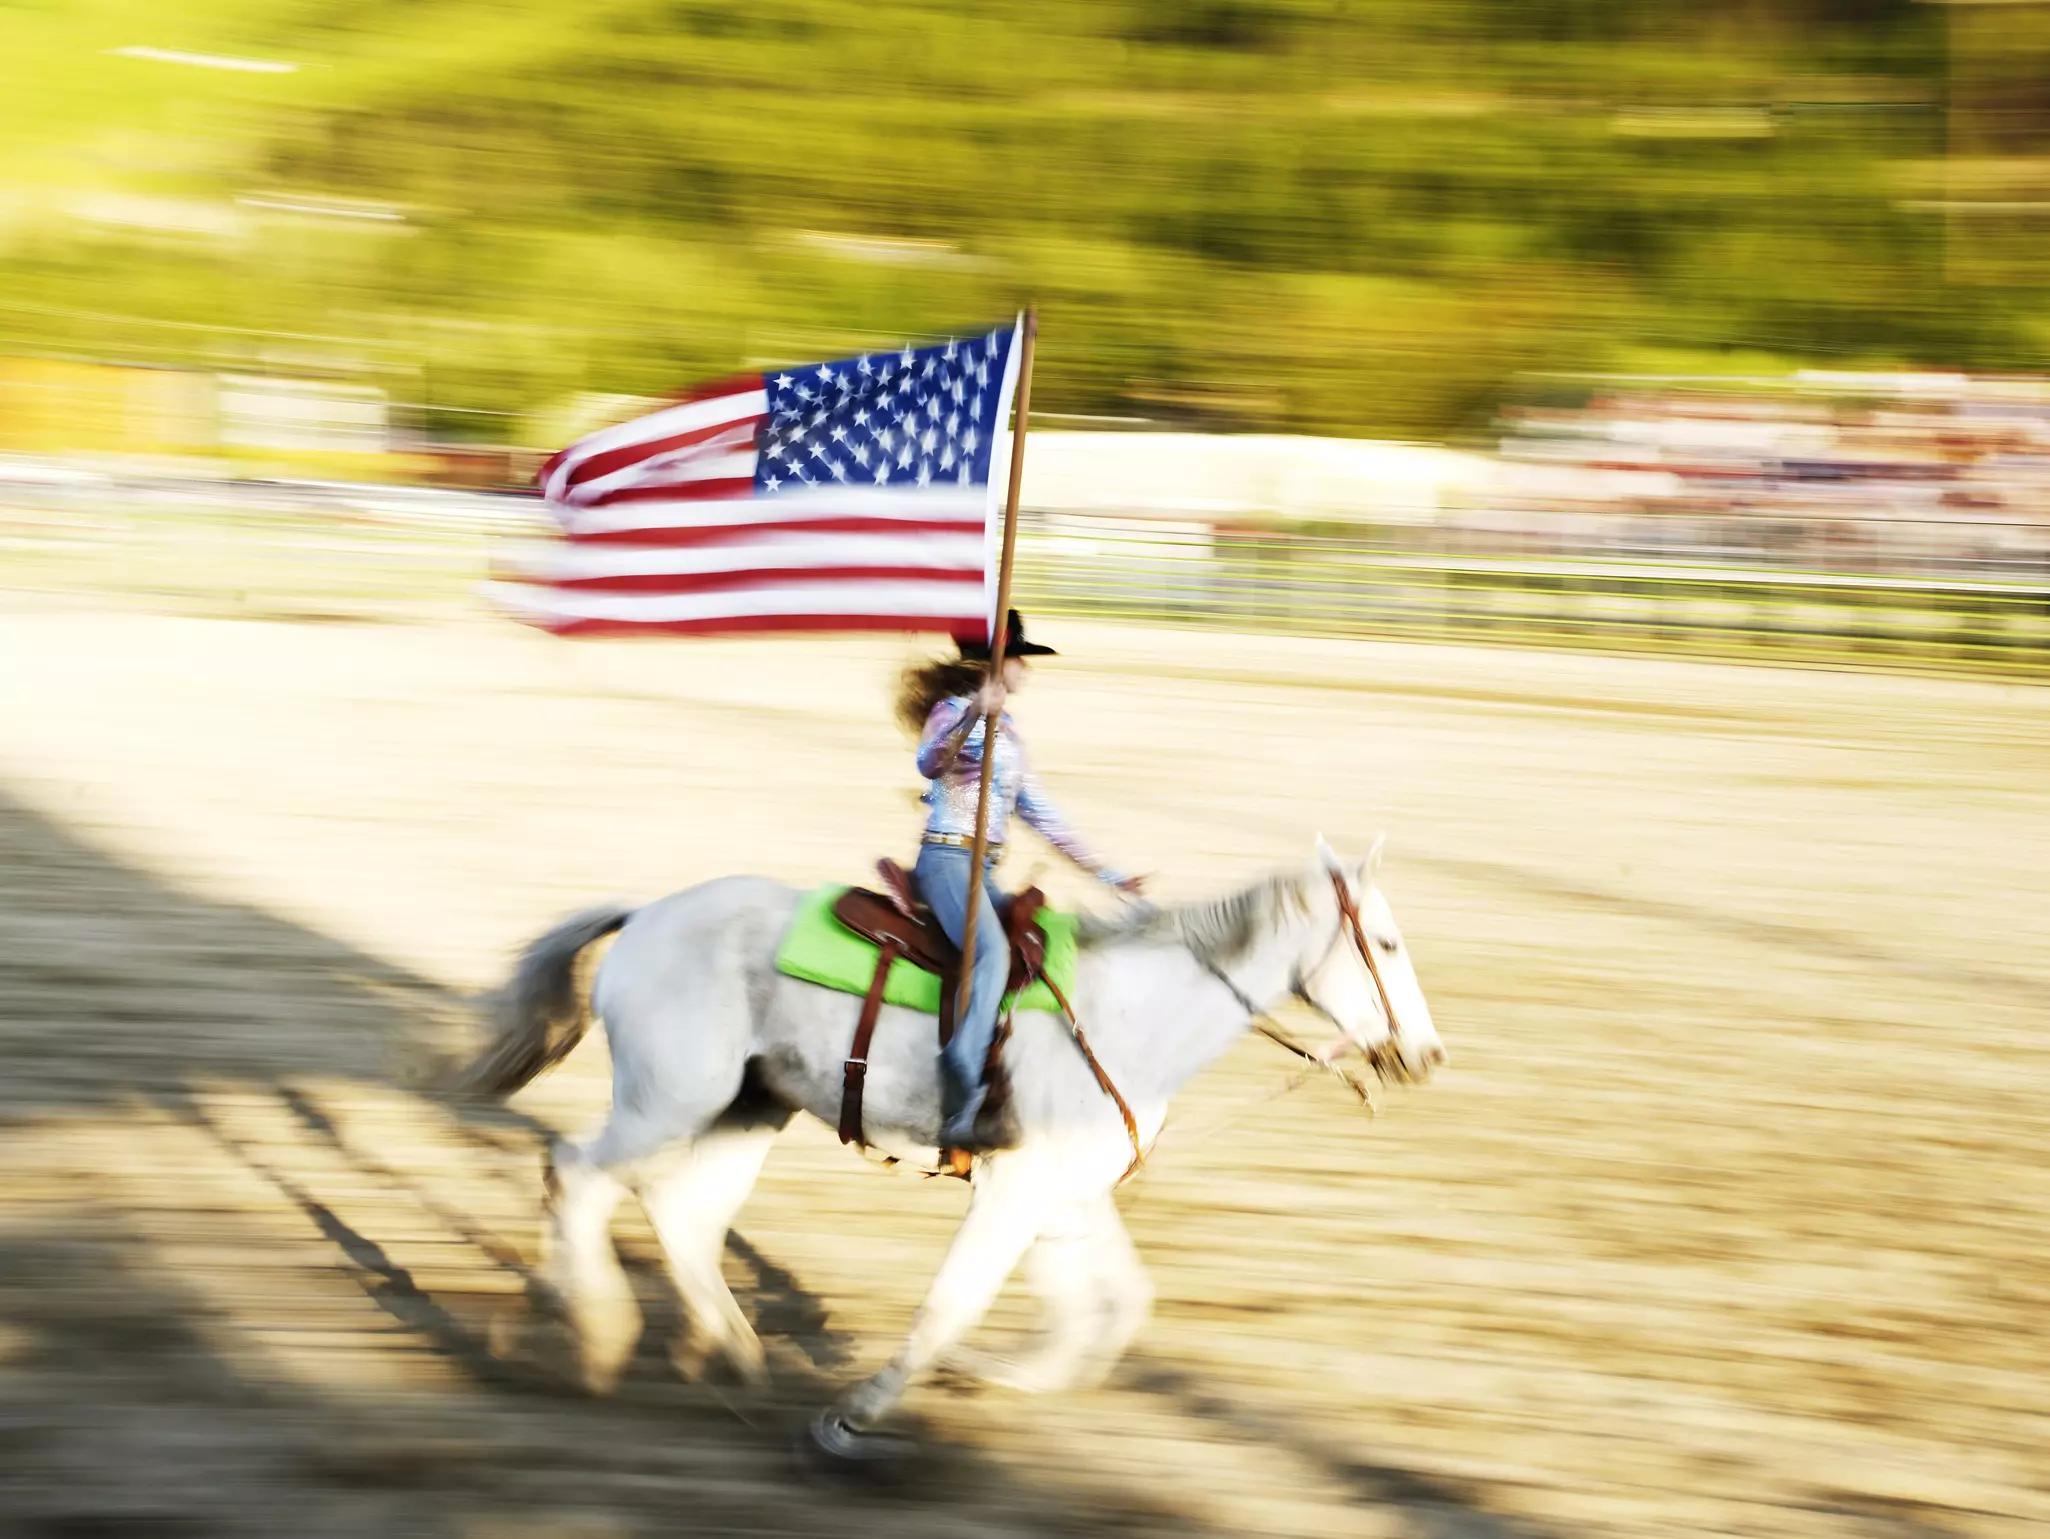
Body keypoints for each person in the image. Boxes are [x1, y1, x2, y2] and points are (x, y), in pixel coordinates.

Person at [896, 610, 1141, 1147]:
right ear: (994, 664)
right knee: (992, 955)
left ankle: (1004, 1060)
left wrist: (1108, 873)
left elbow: (1041, 814)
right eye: (1019, 658)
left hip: (981, 868)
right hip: (945, 860)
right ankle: (960, 1087)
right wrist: (971, 717)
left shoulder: (1007, 731)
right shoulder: (953, 710)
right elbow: (928, 763)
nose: (1026, 669)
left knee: (1035, 946)